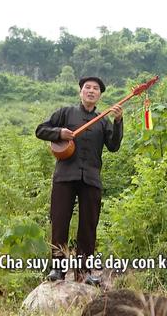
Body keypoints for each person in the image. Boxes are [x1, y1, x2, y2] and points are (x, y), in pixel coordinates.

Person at [35, 76, 123, 283]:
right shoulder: (66, 113)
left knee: (88, 225)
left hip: (91, 178)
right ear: (80, 92)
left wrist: (118, 122)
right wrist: (59, 133)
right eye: (87, 88)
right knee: (59, 221)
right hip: (65, 176)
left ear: (100, 95)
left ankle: (83, 273)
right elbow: (40, 130)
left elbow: (114, 146)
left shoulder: (103, 120)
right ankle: (57, 269)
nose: (91, 91)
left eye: (95, 89)